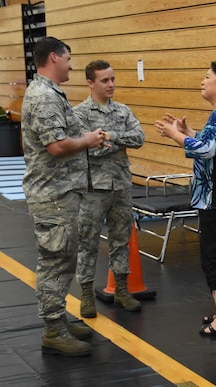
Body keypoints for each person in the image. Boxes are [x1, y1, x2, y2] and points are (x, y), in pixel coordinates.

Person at [21, 37, 109, 356]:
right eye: (69, 58)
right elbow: (56, 146)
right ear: (55, 58)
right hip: (53, 195)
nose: (72, 64)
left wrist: (87, 139)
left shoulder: (50, 92)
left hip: (61, 192)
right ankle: (53, 330)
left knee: (64, 257)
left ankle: (59, 319)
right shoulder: (44, 96)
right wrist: (86, 140)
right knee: (55, 261)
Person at [154, 60, 216, 338]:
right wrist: (188, 134)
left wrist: (175, 136)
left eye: (207, 77)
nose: (202, 81)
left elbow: (207, 150)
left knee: (214, 257)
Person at [74, 60, 145, 318]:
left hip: (121, 185)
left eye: (112, 79)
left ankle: (122, 291)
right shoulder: (79, 114)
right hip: (93, 189)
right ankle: (85, 294)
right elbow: (86, 145)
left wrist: (111, 137)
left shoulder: (123, 111)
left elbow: (138, 138)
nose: (111, 84)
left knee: (121, 239)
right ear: (90, 82)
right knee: (88, 242)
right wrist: (101, 142)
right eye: (105, 80)